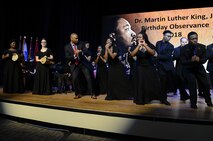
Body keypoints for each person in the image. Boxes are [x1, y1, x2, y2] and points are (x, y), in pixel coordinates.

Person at [130, 28, 170, 105]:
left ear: (144, 38)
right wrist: (139, 46)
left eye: (140, 37)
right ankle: (142, 99)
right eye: (137, 37)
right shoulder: (134, 46)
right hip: (140, 67)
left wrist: (145, 45)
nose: (138, 38)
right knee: (141, 83)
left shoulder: (150, 45)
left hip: (149, 66)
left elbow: (152, 53)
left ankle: (162, 99)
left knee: (155, 83)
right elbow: (132, 54)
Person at [103, 17, 135, 100]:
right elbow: (106, 58)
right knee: (111, 82)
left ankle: (123, 95)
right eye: (127, 29)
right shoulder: (107, 48)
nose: (133, 33)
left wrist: (108, 50)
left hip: (117, 67)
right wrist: (106, 49)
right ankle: (112, 95)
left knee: (120, 82)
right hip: (111, 67)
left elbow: (113, 56)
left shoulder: (116, 47)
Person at [180, 31, 213, 109]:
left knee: (206, 85)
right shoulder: (184, 49)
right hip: (189, 69)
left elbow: (204, 59)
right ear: (188, 40)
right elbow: (183, 61)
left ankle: (208, 101)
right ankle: (193, 103)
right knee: (192, 87)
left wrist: (199, 60)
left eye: (196, 38)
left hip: (199, 68)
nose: (195, 40)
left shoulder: (202, 47)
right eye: (192, 39)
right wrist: (191, 60)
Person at [64, 33, 96, 99]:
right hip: (74, 64)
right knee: (74, 79)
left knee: (88, 77)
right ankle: (77, 94)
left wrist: (81, 51)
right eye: (76, 38)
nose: (77, 39)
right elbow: (67, 57)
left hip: (83, 64)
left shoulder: (81, 43)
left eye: (77, 38)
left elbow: (86, 50)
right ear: (71, 38)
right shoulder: (67, 47)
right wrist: (74, 56)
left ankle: (92, 93)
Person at [155, 30, 175, 105]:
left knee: (164, 83)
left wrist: (157, 56)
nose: (169, 38)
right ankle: (160, 97)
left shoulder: (171, 46)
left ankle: (164, 99)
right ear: (163, 35)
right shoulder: (158, 43)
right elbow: (156, 52)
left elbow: (167, 57)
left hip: (166, 67)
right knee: (159, 83)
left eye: (170, 36)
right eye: (168, 36)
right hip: (158, 65)